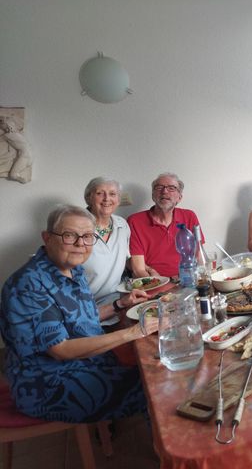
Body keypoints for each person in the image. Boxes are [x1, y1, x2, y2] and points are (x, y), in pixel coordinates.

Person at [0, 205, 158, 423]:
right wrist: (134, 332)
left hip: (87, 362)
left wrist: (120, 304)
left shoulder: (74, 270)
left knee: (154, 366)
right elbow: (60, 350)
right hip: (49, 383)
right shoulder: (28, 285)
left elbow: (82, 319)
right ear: (47, 238)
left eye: (87, 236)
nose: (80, 244)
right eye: (69, 235)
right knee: (155, 386)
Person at [128, 172, 203, 277]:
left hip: (188, 278)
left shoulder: (189, 216)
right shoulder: (135, 221)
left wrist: (203, 277)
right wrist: (156, 283)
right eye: (159, 187)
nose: (164, 191)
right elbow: (139, 270)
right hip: (155, 280)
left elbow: (199, 255)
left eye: (171, 188)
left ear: (179, 197)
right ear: (153, 195)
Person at [82, 177, 131, 306]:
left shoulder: (122, 224)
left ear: (118, 200)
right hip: (84, 303)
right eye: (100, 193)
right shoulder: (77, 226)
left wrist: (147, 270)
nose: (106, 199)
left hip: (116, 299)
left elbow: (126, 259)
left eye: (112, 194)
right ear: (89, 198)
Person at [0, 115, 33, 184]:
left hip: (25, 157)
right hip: (27, 156)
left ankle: (24, 180)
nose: (1, 128)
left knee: (13, 175)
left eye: (2, 126)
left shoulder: (7, 135)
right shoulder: (17, 134)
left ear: (7, 126)